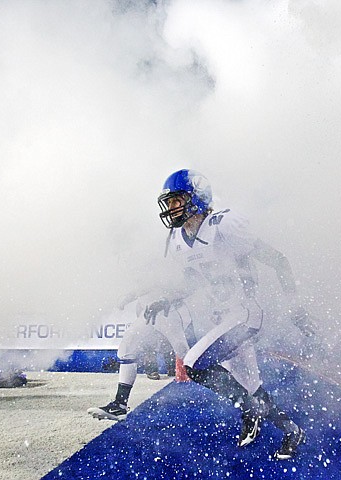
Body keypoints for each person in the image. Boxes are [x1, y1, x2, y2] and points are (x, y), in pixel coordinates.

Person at [90, 169, 312, 460]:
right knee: (251, 385)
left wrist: (296, 310)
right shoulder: (180, 239)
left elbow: (278, 261)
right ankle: (290, 429)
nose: (171, 209)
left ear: (196, 198)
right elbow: (191, 283)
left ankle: (249, 410)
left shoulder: (223, 226)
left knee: (194, 363)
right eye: (169, 203)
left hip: (243, 313)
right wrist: (165, 298)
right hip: (224, 320)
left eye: (176, 201)